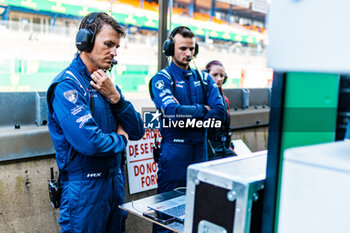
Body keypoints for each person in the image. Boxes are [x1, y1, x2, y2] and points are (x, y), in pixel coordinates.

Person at [46, 12, 144, 233]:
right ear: (85, 41)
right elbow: (91, 142)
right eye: (108, 44)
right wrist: (121, 139)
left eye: (117, 46)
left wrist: (117, 99)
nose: (114, 53)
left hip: (114, 186)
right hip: (84, 191)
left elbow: (137, 130)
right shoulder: (67, 86)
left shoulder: (107, 85)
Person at [150, 26, 226, 232]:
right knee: (166, 220)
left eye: (192, 48)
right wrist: (203, 110)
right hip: (174, 157)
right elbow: (173, 112)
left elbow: (220, 114)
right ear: (170, 49)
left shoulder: (205, 79)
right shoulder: (161, 79)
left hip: (200, 155)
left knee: (199, 215)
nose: (188, 53)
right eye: (183, 48)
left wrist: (188, 117)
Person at [205, 60, 237, 160]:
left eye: (222, 76)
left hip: (225, 147)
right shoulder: (201, 98)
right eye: (215, 75)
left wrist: (229, 145)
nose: (219, 79)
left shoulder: (224, 99)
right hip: (210, 149)